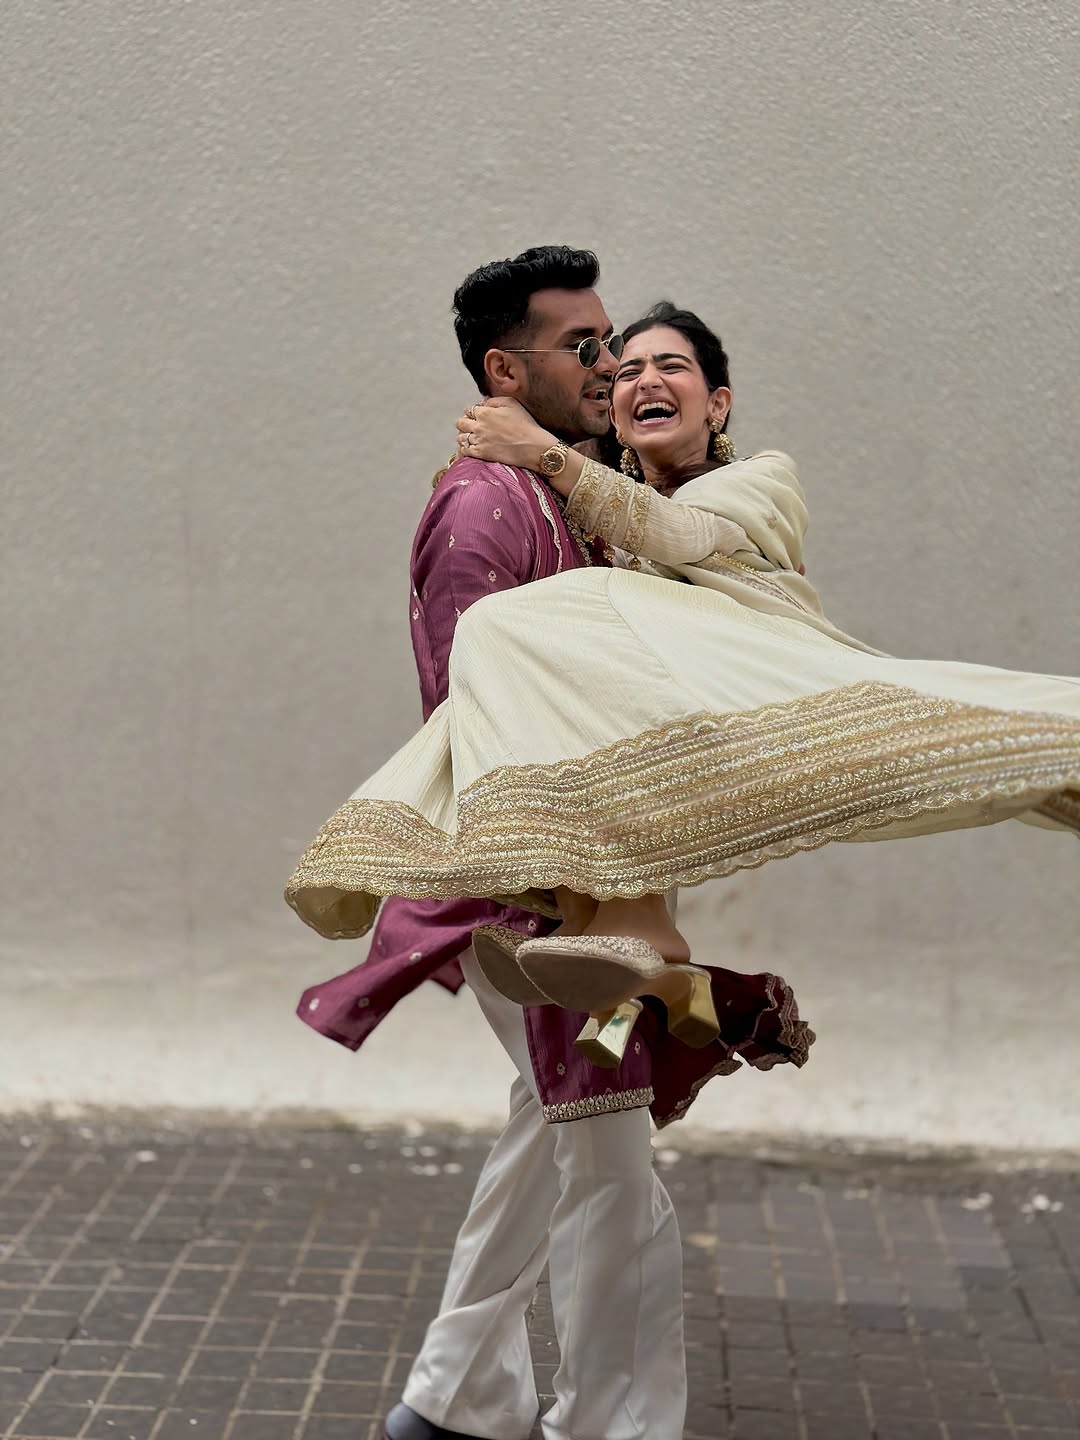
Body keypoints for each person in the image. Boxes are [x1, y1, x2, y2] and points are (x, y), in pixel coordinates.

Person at [294, 260, 812, 1440]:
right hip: (532, 910)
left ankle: (453, 1398)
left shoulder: (585, 501)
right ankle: (609, 1425)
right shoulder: (486, 508)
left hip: (591, 906)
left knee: (553, 1125)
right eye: (588, 347)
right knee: (612, 1161)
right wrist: (548, 897)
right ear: (504, 370)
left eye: (622, 347)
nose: (611, 366)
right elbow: (468, 708)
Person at [288, 299, 1080, 1038]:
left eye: (671, 366)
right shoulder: (599, 520)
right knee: (601, 1044)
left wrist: (541, 451)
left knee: (515, 621)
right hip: (657, 763)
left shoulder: (760, 479)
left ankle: (637, 980)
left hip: (753, 680)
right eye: (627, 372)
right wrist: (497, 458)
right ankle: (654, 984)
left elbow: (679, 535)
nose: (644, 380)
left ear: (718, 404)